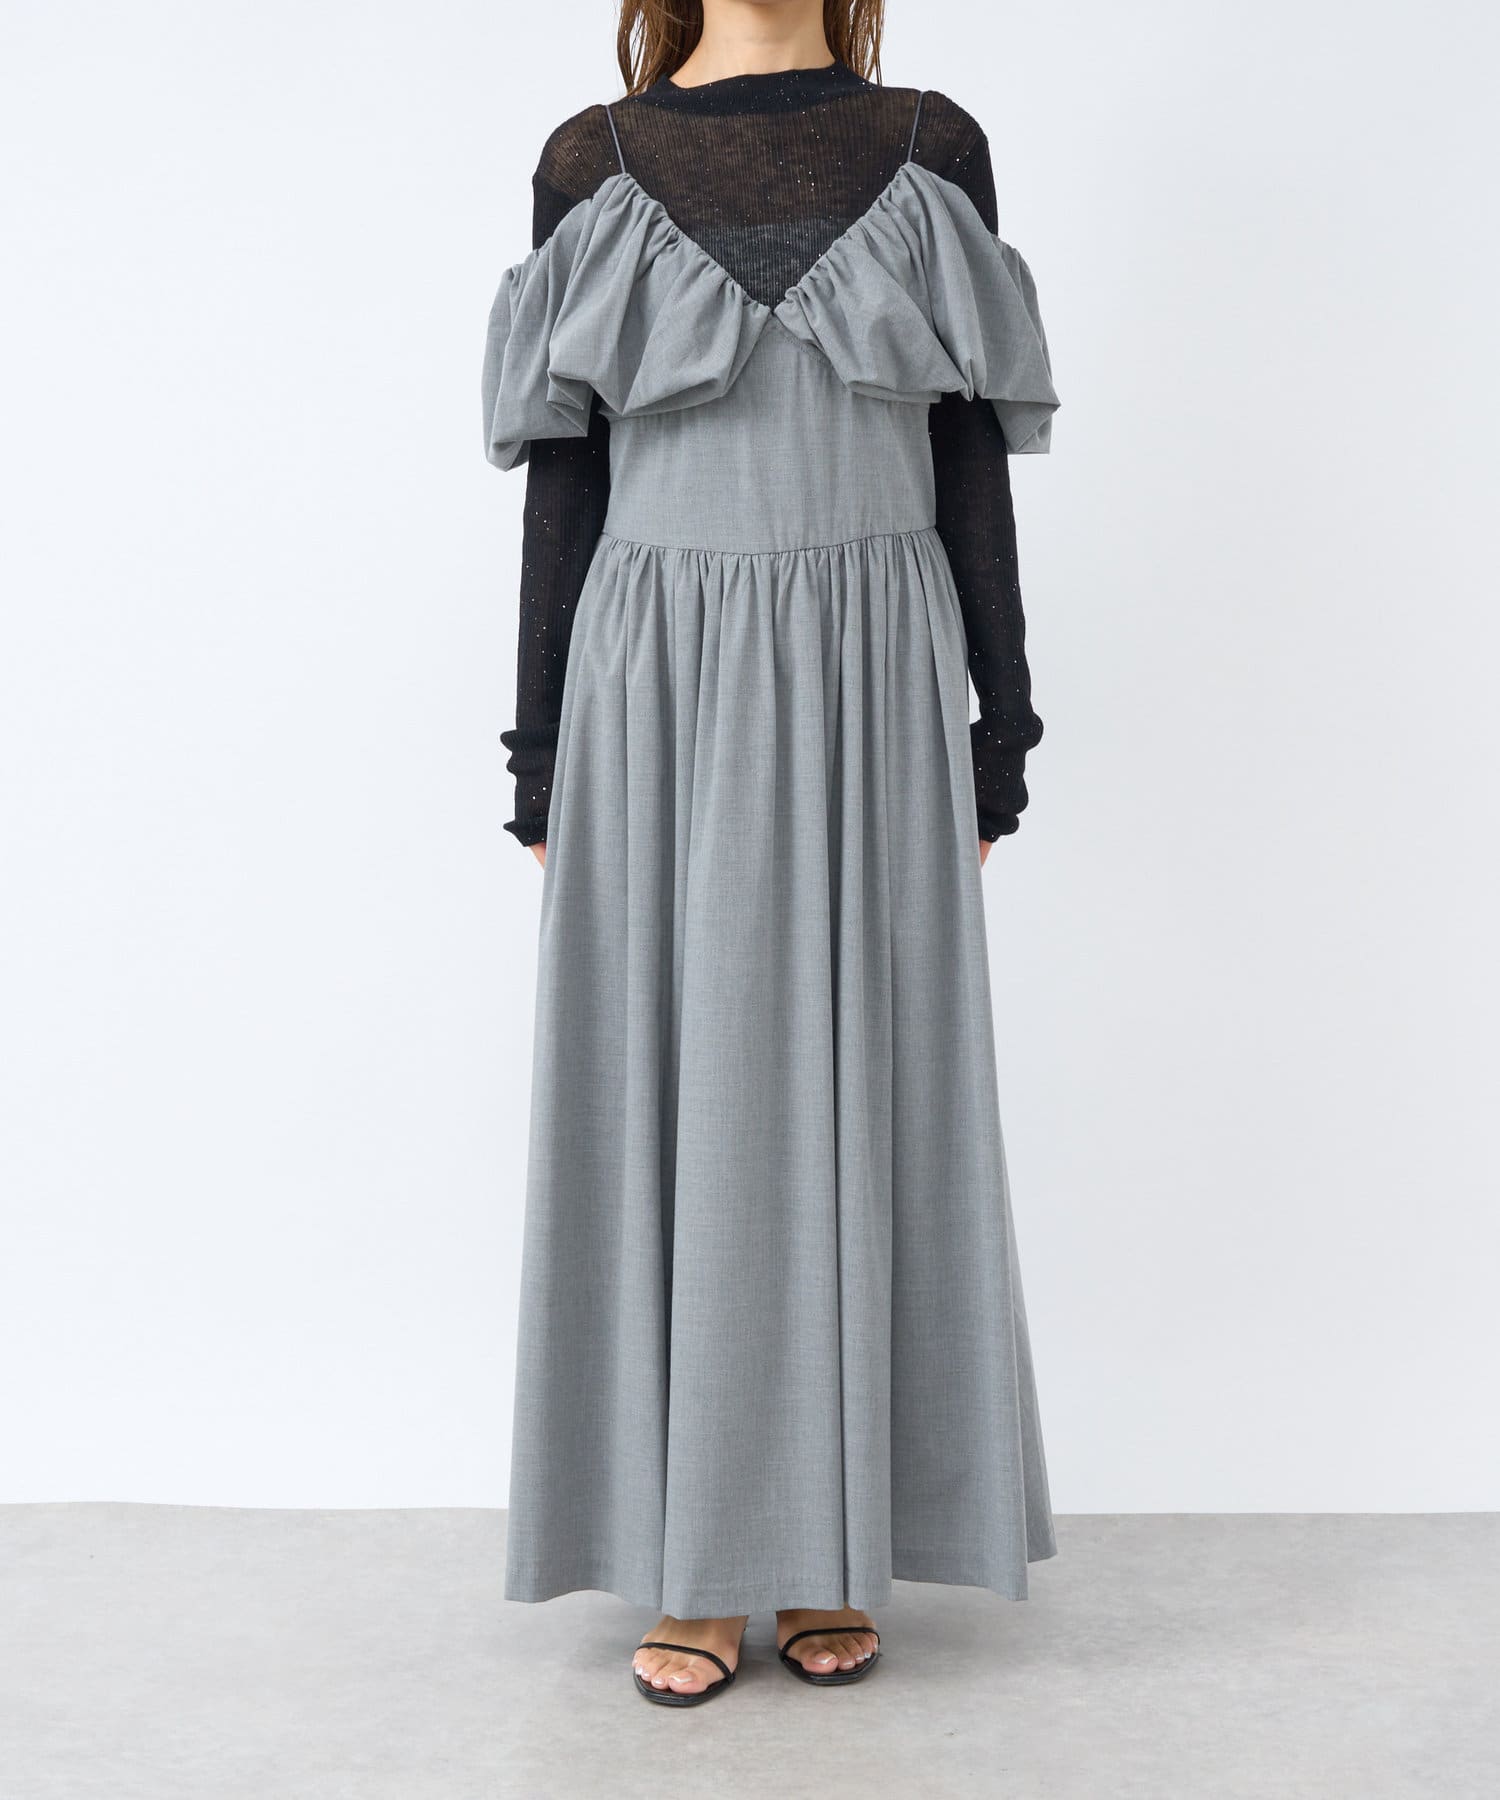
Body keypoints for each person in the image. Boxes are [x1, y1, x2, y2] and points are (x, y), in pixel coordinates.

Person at [481, 0, 1059, 1707]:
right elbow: (564, 481)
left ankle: (824, 1544)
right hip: (660, 671)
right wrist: (539, 753)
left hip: (875, 666)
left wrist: (1001, 725)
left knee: (868, 1091)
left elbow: (968, 453)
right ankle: (697, 1560)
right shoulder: (589, 163)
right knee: (680, 1100)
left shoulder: (932, 147)